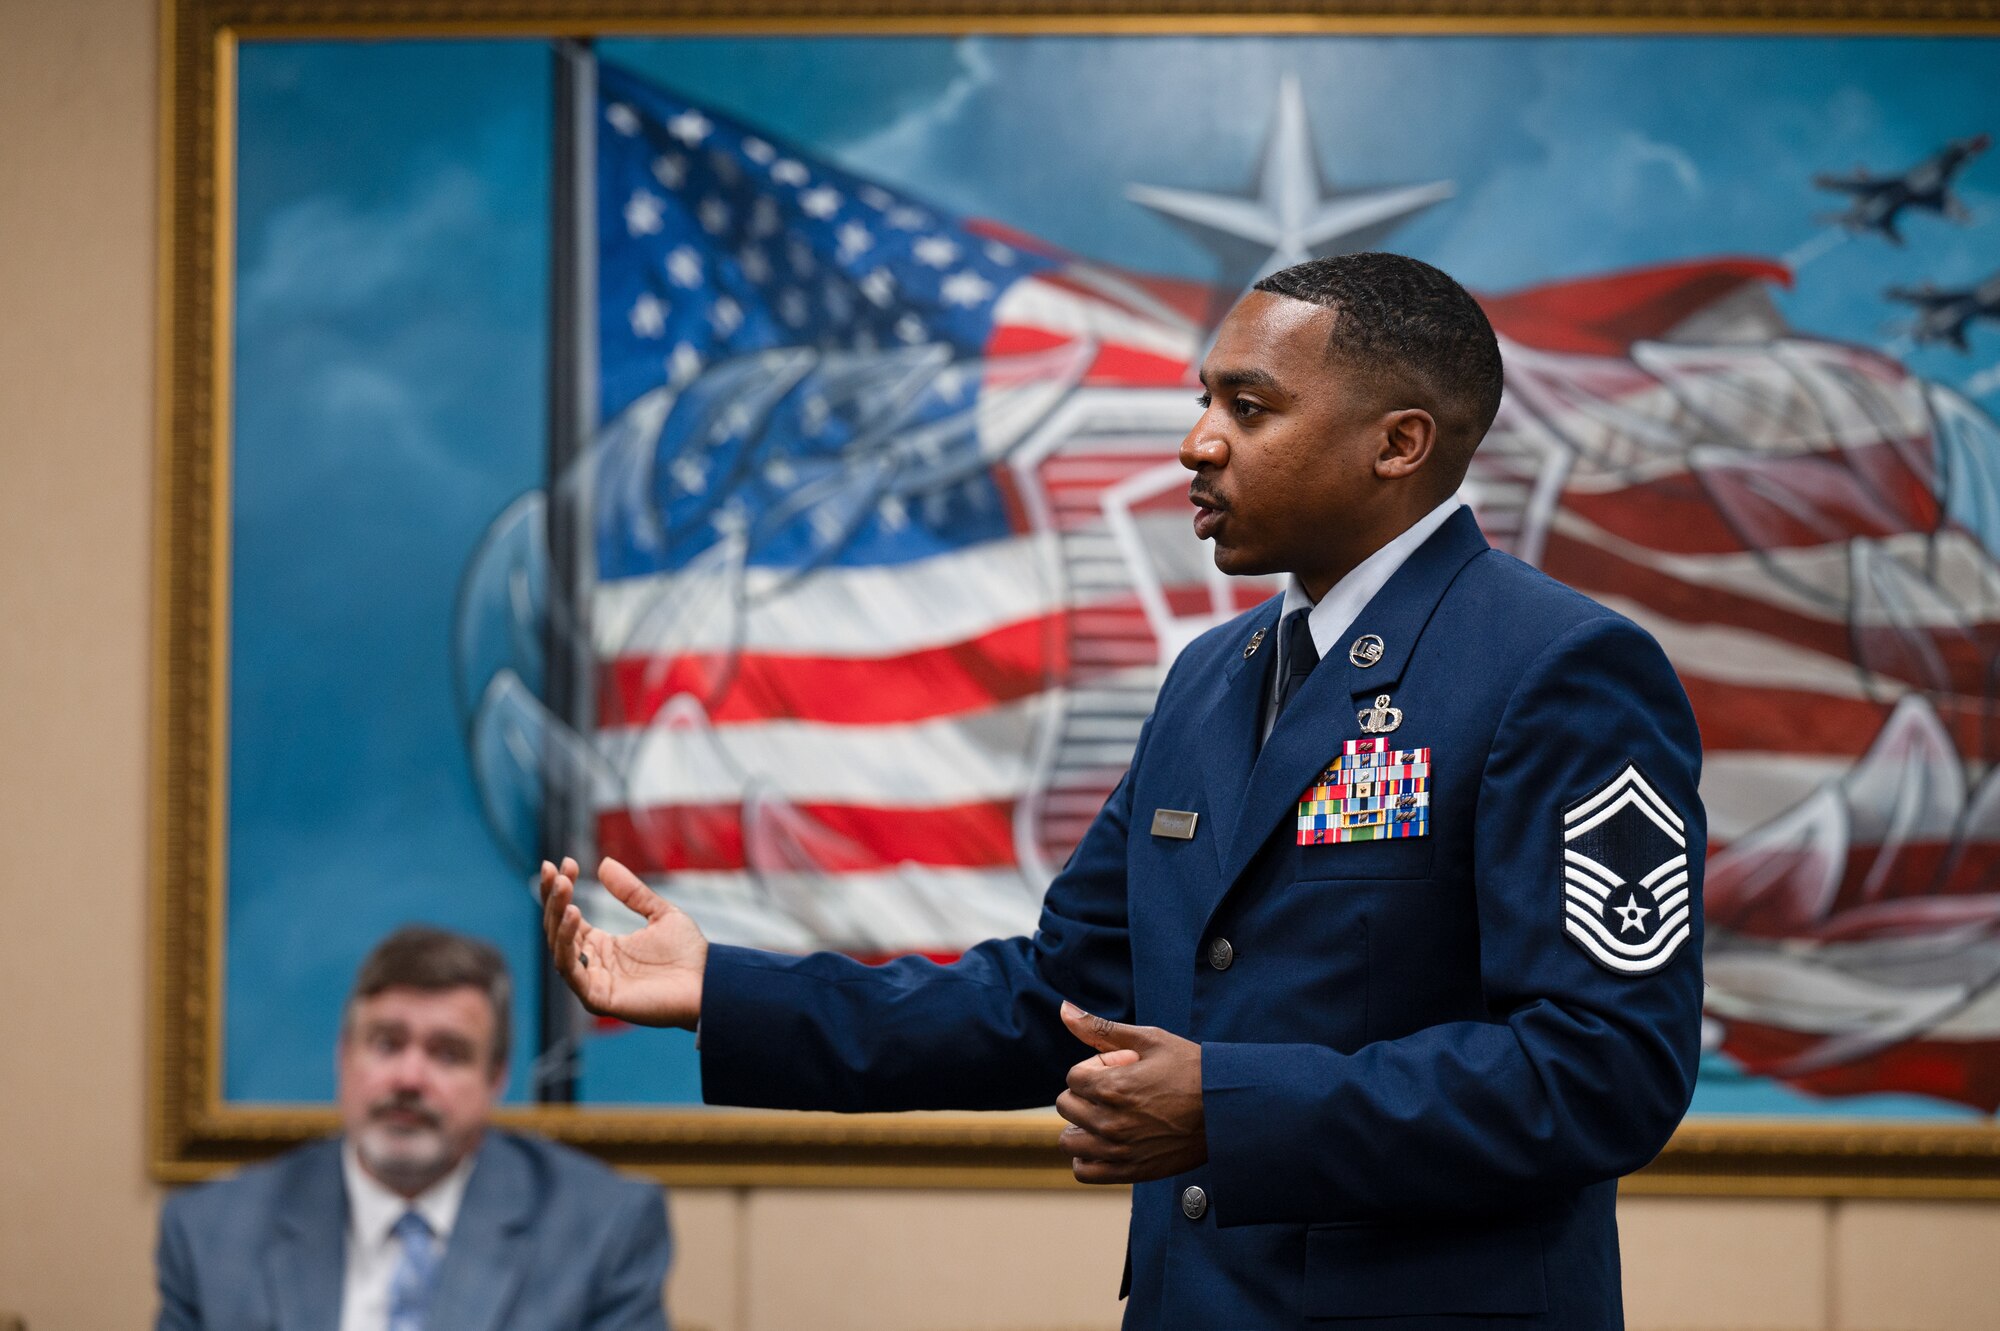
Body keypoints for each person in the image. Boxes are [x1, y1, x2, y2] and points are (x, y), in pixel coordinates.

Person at [539, 252, 1704, 1329]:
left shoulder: (1556, 669)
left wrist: (1231, 1105)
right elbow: (1057, 993)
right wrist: (725, 994)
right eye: (1203, 402)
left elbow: (1602, 1068)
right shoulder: (1214, 677)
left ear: (1395, 443)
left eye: (1247, 409)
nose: (1196, 443)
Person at [155, 926, 673, 1331]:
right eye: (386, 1043)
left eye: (448, 1054)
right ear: (343, 1056)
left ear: (495, 1077)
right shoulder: (210, 1237)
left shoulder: (603, 1230)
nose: (408, 1078)